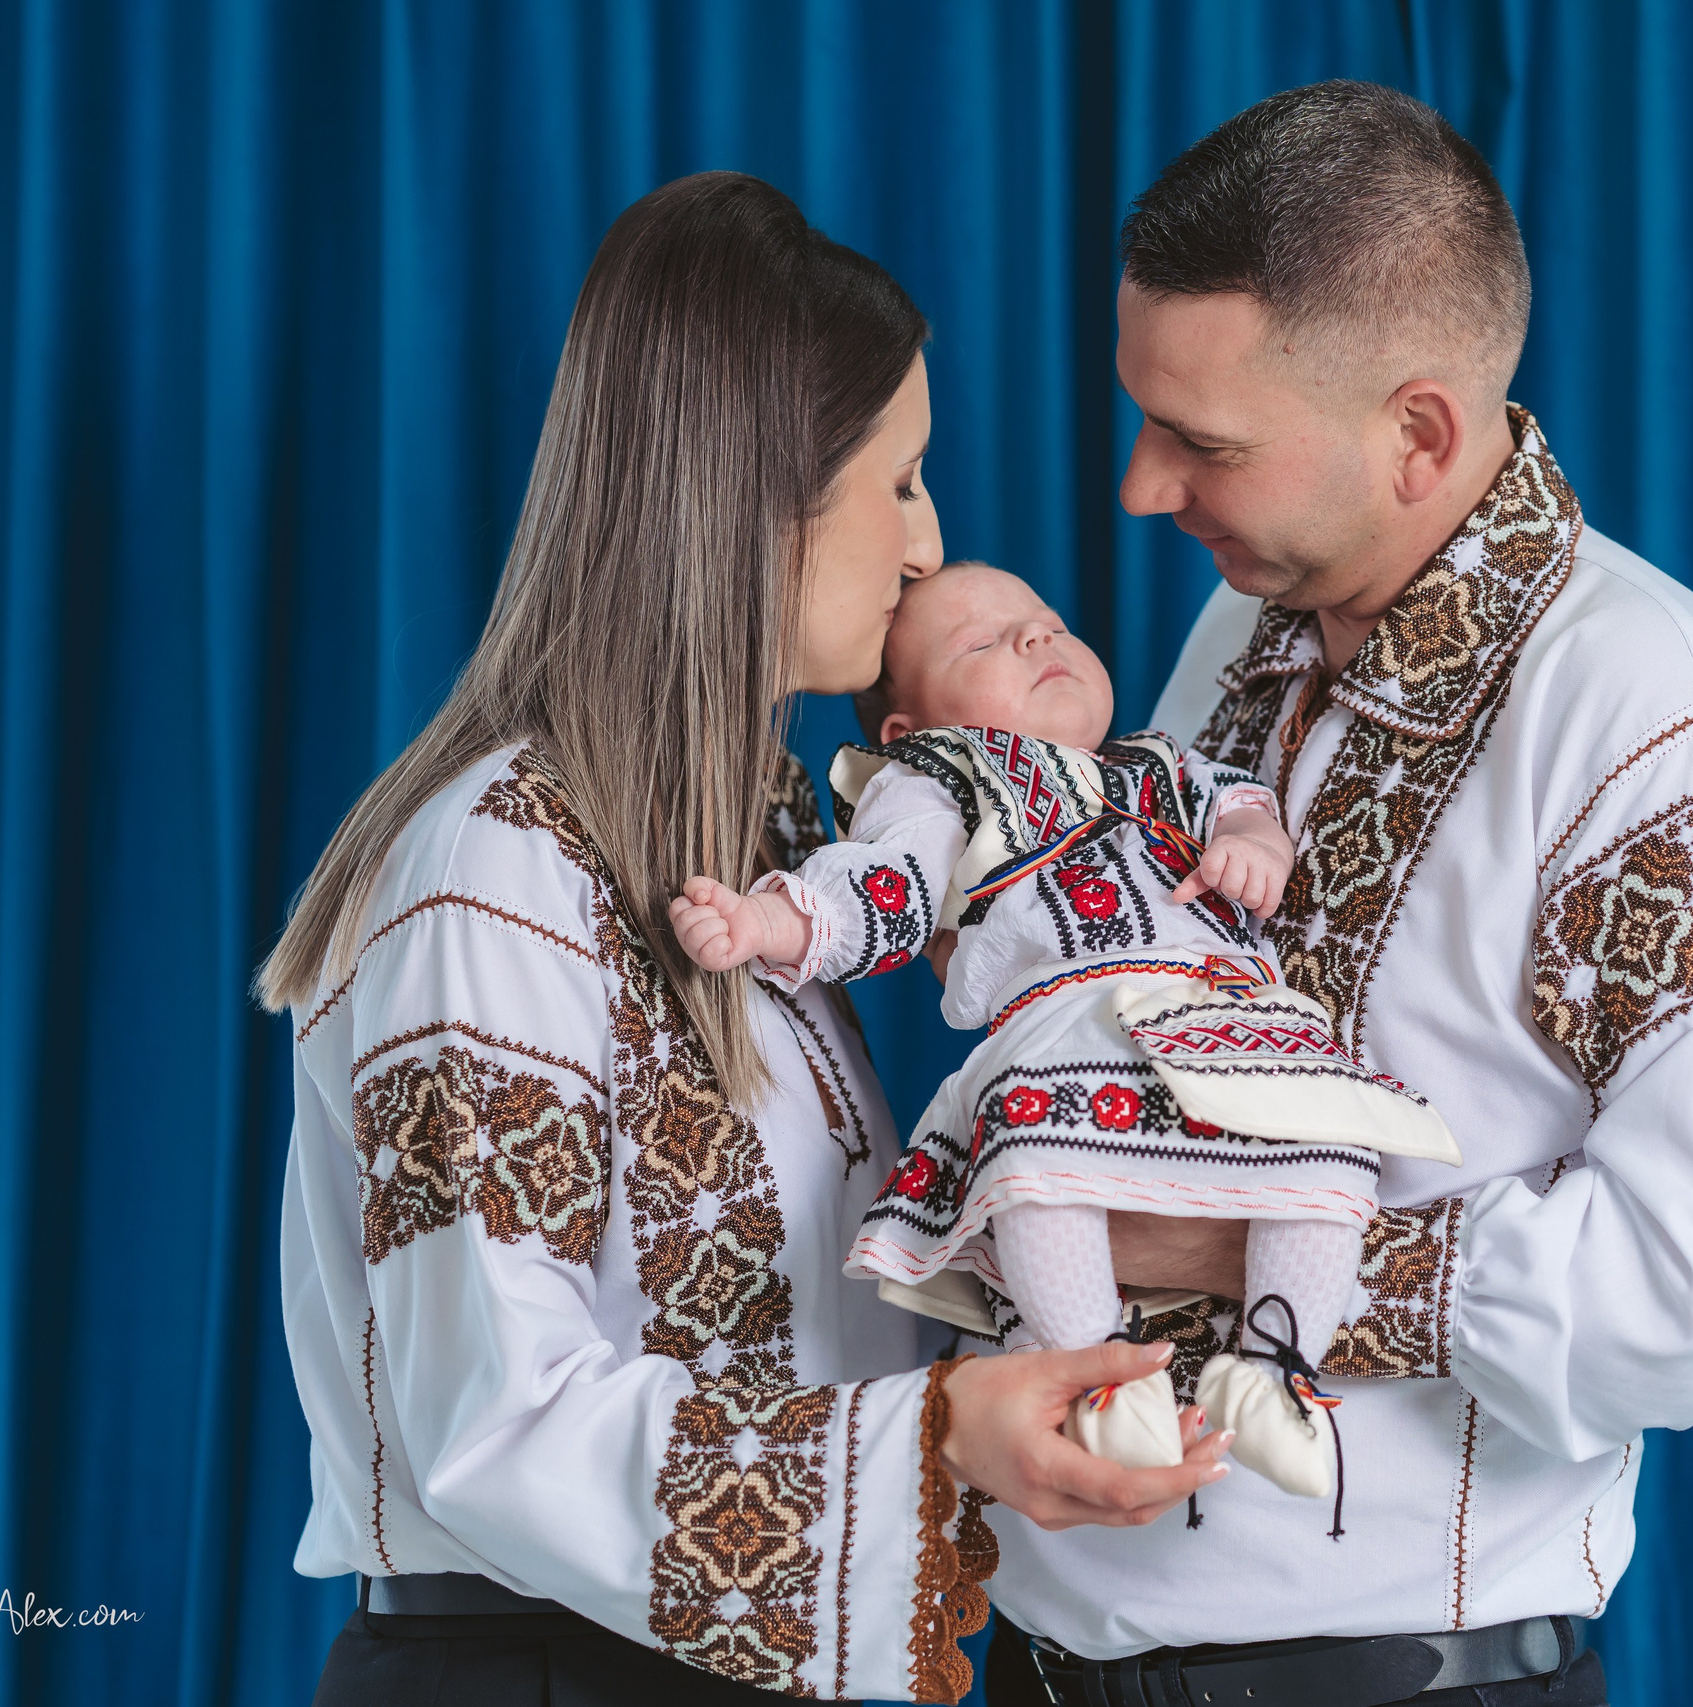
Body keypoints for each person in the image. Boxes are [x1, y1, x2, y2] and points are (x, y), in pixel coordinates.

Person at [263, 172, 1230, 1707]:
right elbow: (487, 1413)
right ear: (761, 492)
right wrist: (944, 1432)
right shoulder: (492, 870)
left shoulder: (764, 850)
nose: (928, 547)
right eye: (900, 480)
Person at [978, 83, 1693, 1707]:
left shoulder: (1670, 734)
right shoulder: (1230, 645)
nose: (1137, 490)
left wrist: (1260, 1252)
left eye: (1202, 442)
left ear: (1421, 435)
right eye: (1144, 420)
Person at [668, 562, 1457, 1513]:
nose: (1035, 639)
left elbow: (1247, 803)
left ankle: (1272, 1368)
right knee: (1038, 1167)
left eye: (1044, 620)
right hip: (1066, 1022)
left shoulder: (1165, 764)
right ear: (909, 732)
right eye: (983, 642)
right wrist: (774, 924)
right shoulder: (942, 777)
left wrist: (1259, 844)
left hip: (1228, 1014)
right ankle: (1099, 1373)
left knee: (1329, 1153)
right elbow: (886, 886)